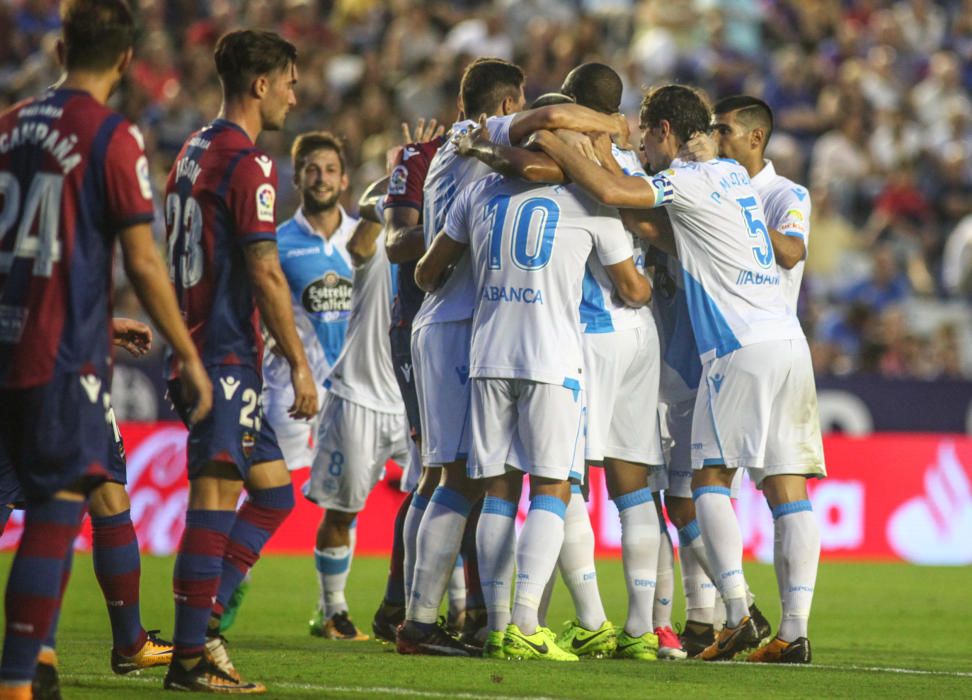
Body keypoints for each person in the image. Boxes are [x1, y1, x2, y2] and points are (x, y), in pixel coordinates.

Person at [531, 84, 826, 663]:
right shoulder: (736, 182)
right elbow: (660, 232)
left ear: (666, 130)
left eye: (646, 131)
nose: (642, 142)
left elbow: (619, 191)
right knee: (788, 488)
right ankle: (794, 632)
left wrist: (555, 144)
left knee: (708, 481)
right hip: (789, 343)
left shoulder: (690, 178)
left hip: (737, 346)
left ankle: (737, 613)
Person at [0, 2, 212, 698]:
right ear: (126, 60)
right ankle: (20, 677)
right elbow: (144, 263)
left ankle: (43, 666)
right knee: (61, 509)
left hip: (9, 340)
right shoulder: (111, 135)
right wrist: (187, 352)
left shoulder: (6, 128)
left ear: (60, 47)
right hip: (56, 357)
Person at [399, 57, 628, 657]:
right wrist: (613, 132)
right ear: (506, 110)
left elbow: (425, 265)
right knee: (470, 480)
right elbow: (545, 139)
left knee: (467, 480)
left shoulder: (469, 166)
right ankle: (441, 619)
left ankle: (468, 617)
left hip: (466, 327)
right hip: (470, 326)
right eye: (519, 110)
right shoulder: (484, 141)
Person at [415, 168, 651, 661]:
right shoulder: (590, 201)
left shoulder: (480, 189)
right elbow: (632, 288)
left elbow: (426, 272)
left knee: (497, 489)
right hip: (552, 360)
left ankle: (499, 628)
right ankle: (526, 621)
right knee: (553, 488)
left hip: (487, 357)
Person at [163, 29, 317, 692]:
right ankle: (190, 658)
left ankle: (209, 619)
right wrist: (300, 363)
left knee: (273, 491)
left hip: (201, 346)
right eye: (287, 79)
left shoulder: (192, 150)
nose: (294, 92)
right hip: (222, 354)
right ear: (260, 84)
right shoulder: (247, 161)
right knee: (216, 498)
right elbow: (264, 271)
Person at [302, 140, 412, 643]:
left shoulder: (443, 239)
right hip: (360, 397)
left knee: (437, 506)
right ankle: (333, 609)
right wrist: (399, 174)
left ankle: (447, 608)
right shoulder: (378, 240)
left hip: (414, 401)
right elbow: (360, 247)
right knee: (344, 510)